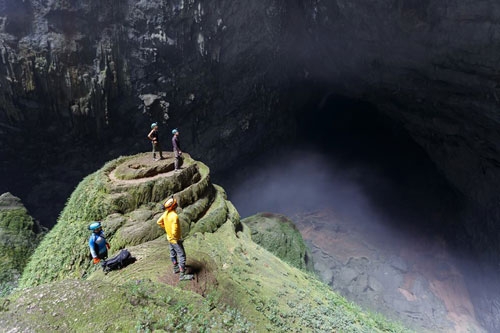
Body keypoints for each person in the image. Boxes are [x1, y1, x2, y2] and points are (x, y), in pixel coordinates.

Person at [156, 197, 194, 281]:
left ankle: (175, 267)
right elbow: (175, 230)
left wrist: (166, 228)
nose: (176, 204)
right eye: (175, 204)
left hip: (169, 238)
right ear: (173, 206)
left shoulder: (166, 213)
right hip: (175, 240)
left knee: (172, 253)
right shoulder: (174, 216)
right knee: (182, 255)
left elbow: (158, 222)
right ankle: (182, 275)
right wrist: (177, 239)